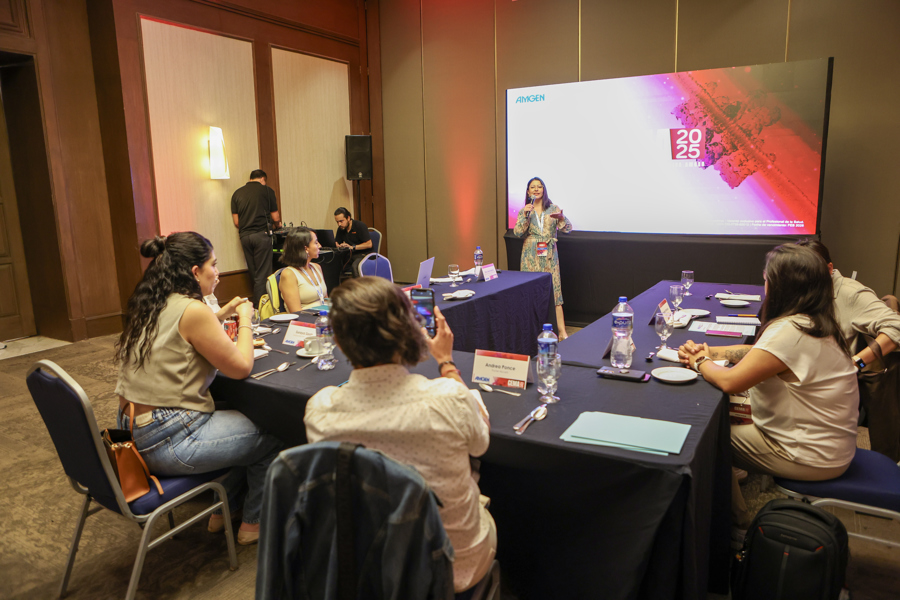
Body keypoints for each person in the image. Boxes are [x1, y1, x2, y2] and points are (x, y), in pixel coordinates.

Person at [304, 277, 496, 594]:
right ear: (409, 331)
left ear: (336, 340)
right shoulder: (448, 399)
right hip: (452, 568)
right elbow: (481, 442)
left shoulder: (321, 411)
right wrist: (446, 362)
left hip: (369, 569)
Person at [115, 232, 283, 546]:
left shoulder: (152, 300)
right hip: (168, 438)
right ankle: (252, 523)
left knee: (238, 415)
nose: (217, 272)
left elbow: (183, 333)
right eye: (214, 265)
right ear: (195, 272)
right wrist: (244, 318)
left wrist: (221, 313)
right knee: (273, 430)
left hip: (131, 429)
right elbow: (242, 366)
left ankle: (223, 510)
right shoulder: (194, 310)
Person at [678, 244, 858, 530]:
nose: (764, 283)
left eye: (766, 277)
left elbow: (728, 382)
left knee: (705, 439)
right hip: (831, 445)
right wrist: (712, 352)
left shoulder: (790, 331)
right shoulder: (815, 322)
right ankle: (733, 481)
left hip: (809, 455)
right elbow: (758, 355)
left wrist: (699, 361)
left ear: (781, 285)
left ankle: (737, 529)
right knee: (721, 421)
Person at [796, 239, 900, 370]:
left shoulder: (851, 293)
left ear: (829, 269)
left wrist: (856, 363)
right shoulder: (796, 292)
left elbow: (896, 327)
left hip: (835, 383)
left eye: (809, 276)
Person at [512, 177, 573, 338]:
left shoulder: (553, 208)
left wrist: (561, 218)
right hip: (530, 255)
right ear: (528, 191)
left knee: (555, 292)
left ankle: (562, 332)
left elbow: (568, 228)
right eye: (533, 187)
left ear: (544, 190)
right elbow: (517, 232)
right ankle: (530, 332)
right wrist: (525, 215)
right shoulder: (525, 210)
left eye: (540, 187)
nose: (536, 189)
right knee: (530, 292)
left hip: (549, 255)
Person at [231, 169, 281, 306]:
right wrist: (277, 224)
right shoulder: (267, 191)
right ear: (263, 179)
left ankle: (258, 307)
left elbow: (237, 222)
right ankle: (260, 308)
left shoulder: (237, 193)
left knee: (255, 274)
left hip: (245, 237)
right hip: (261, 235)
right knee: (263, 274)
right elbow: (275, 217)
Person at [278, 227, 328, 312]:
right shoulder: (289, 274)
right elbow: (296, 311)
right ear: (306, 249)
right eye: (316, 242)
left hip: (324, 317)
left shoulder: (317, 267)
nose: (320, 246)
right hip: (305, 321)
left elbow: (326, 299)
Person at [334, 206, 372, 277]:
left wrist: (352, 247)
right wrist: (338, 245)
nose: (339, 224)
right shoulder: (341, 228)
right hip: (351, 255)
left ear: (348, 218)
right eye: (337, 222)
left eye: (341, 221)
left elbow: (369, 244)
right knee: (336, 265)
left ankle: (359, 287)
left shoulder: (360, 226)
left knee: (355, 267)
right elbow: (336, 242)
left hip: (364, 254)